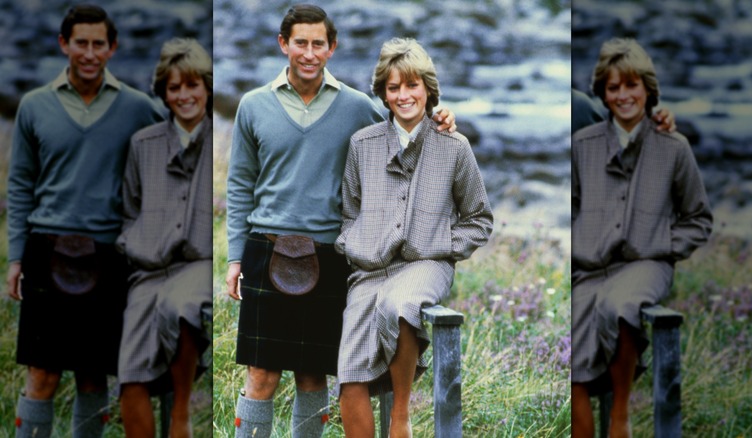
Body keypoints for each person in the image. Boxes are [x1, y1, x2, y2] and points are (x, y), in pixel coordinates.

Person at [225, 5, 455, 438]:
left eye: (317, 43)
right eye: (300, 43)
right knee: (261, 376)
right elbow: (239, 187)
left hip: (328, 255)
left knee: (313, 375)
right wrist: (234, 259)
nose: (308, 53)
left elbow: (403, 127)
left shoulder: (356, 107)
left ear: (331, 48)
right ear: (283, 45)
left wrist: (440, 119)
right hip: (265, 248)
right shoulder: (253, 106)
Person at [6, 4, 163, 437]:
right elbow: (20, 187)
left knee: (94, 375)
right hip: (45, 249)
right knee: (42, 373)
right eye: (81, 43)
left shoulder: (137, 108)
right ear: (64, 45)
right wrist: (15, 258)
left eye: (99, 44)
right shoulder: (35, 106)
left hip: (108, 255)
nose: (89, 53)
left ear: (112, 48)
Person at [335, 37, 493, 438]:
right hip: (369, 269)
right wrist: (355, 243)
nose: (404, 95)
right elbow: (349, 212)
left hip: (427, 266)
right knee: (349, 375)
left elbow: (478, 218)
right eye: (394, 88)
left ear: (428, 89)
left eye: (412, 85)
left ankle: (399, 419)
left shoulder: (454, 147)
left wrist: (443, 245)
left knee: (400, 303)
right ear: (383, 95)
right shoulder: (361, 145)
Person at [571, 38, 712, 438]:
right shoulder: (583, 144)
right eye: (613, 88)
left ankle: (620, 415)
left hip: (647, 266)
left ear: (648, 89)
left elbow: (698, 218)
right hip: (591, 267)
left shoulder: (674, 147)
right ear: (603, 93)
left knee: (620, 305)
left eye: (632, 85)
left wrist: (663, 246)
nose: (623, 96)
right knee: (572, 355)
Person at [115, 38, 212, 438]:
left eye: (193, 85)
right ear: (164, 93)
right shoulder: (143, 144)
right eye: (175, 88)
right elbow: (130, 206)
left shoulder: (224, 140)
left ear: (207, 86)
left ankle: (181, 415)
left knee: (183, 306)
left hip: (199, 264)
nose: (185, 95)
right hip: (149, 269)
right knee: (131, 374)